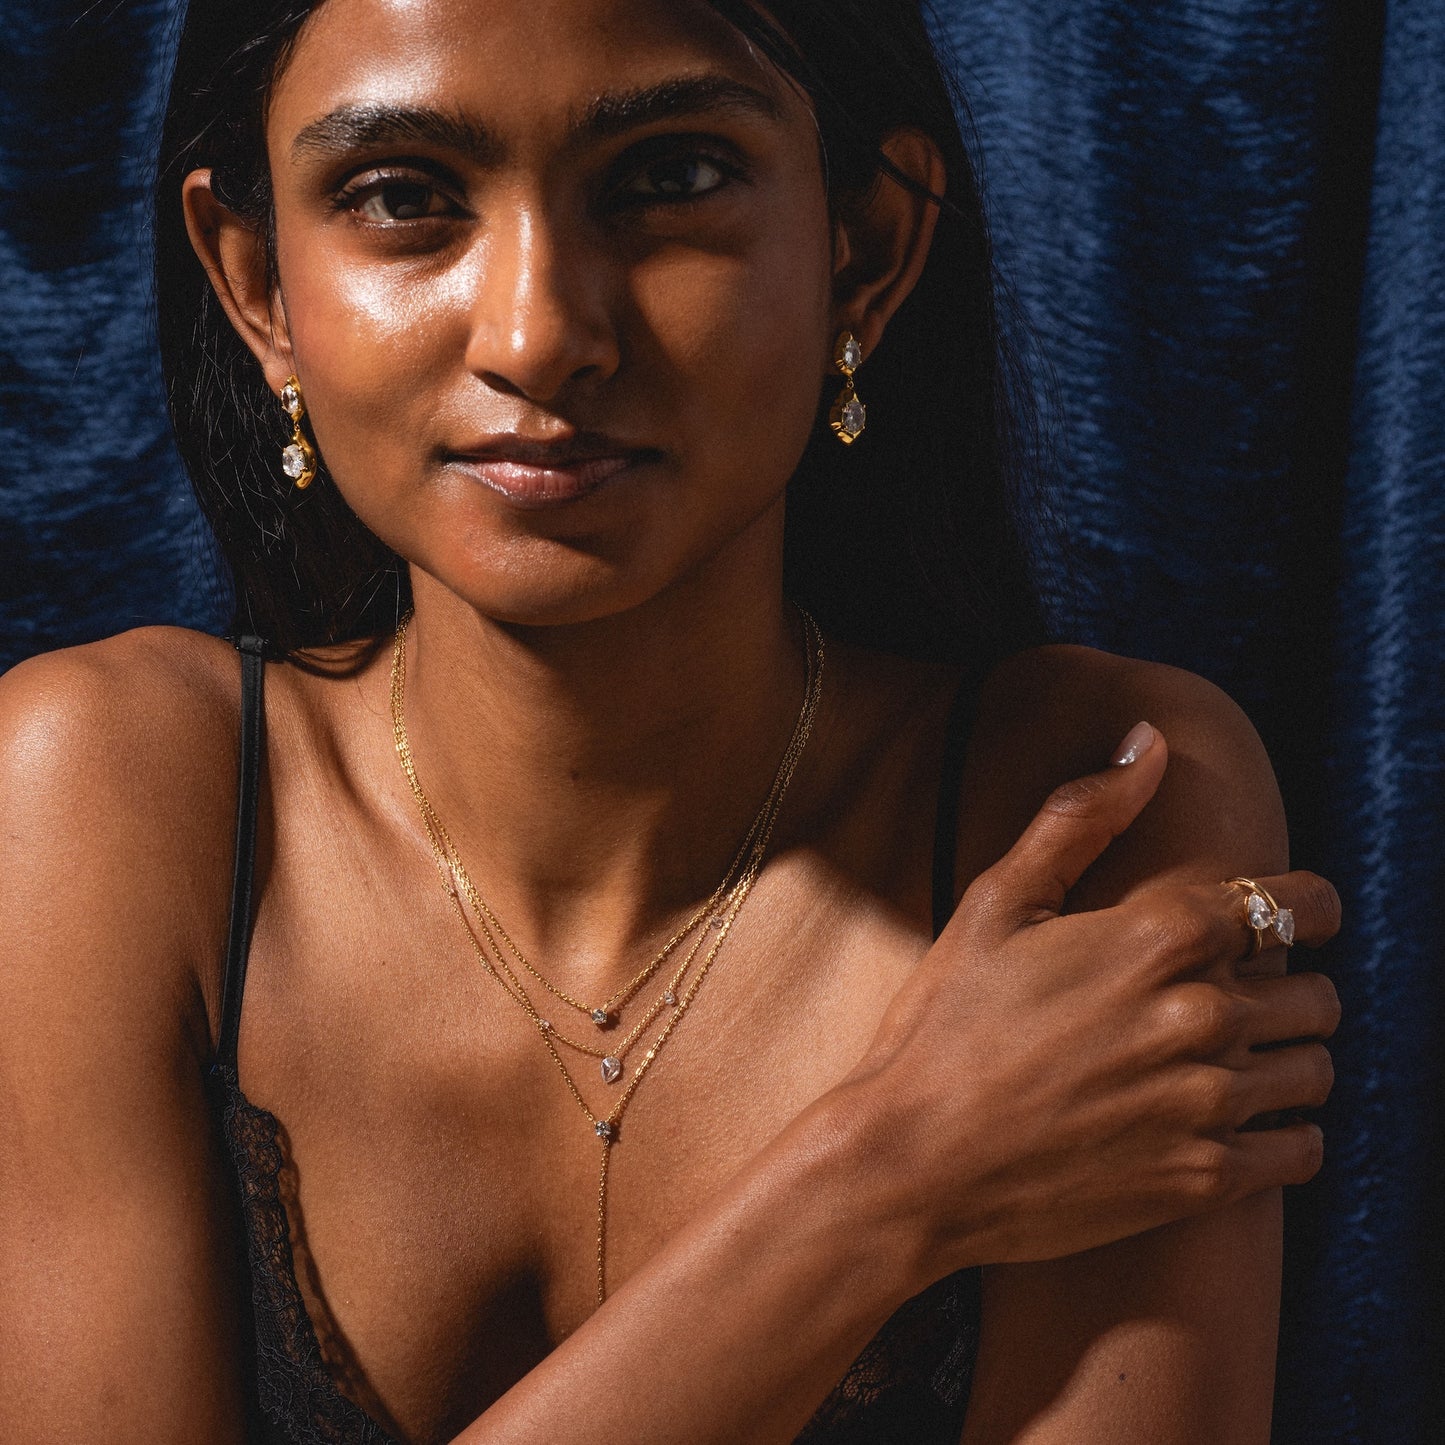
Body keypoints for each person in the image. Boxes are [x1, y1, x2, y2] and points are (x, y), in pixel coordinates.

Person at [0, 1, 1342, 1442]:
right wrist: (884, 1183)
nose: (540, 334)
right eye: (403, 198)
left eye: (668, 178)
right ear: (258, 285)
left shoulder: (1095, 801)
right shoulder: (98, 796)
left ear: (864, 249)